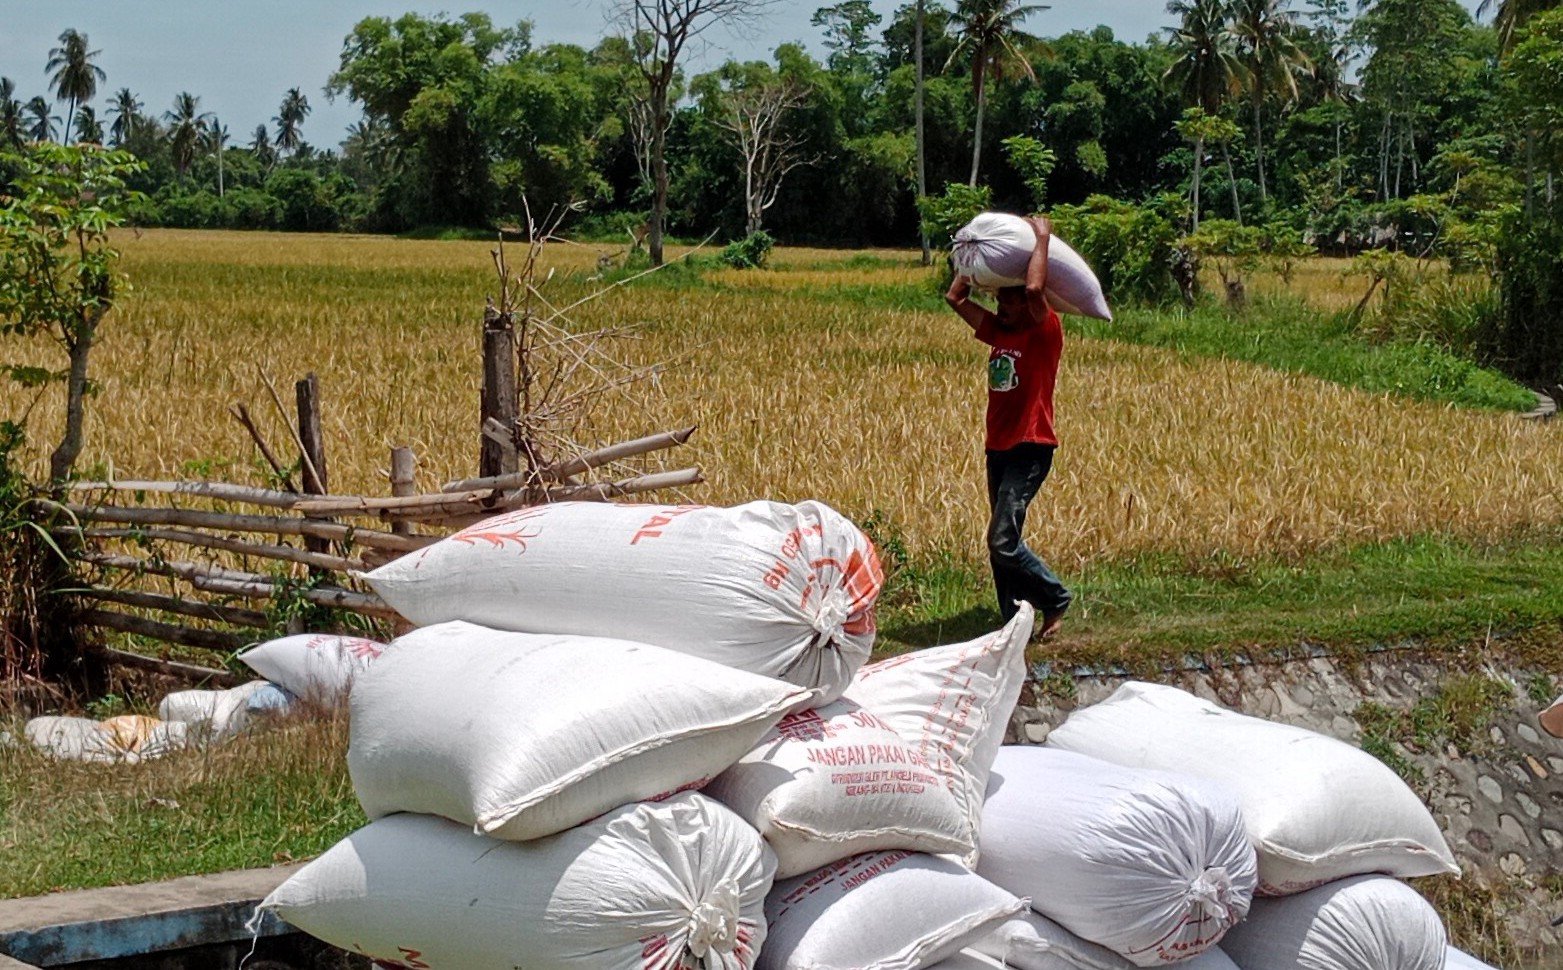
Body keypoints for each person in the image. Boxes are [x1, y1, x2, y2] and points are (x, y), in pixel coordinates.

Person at [944, 215, 1071, 638]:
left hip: (1030, 445)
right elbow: (956, 298)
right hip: (997, 446)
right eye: (999, 302)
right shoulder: (998, 331)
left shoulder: (1044, 332)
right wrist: (970, 251)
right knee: (999, 541)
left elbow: (1035, 288)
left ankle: (1055, 598)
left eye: (1008, 301)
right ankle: (1012, 619)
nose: (1001, 308)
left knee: (1002, 539)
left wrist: (1041, 237)